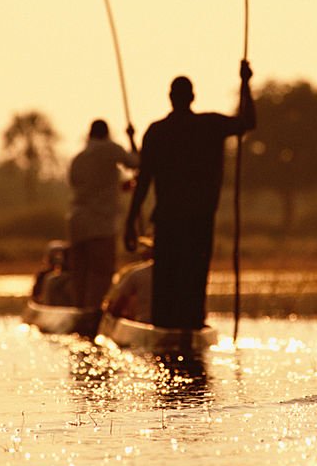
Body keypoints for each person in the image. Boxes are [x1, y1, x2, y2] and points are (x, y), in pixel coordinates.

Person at [124, 62, 256, 329]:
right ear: (192, 98)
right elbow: (247, 121)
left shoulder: (156, 131)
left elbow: (143, 181)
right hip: (199, 220)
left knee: (167, 282)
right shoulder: (209, 125)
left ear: (171, 98)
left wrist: (129, 221)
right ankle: (190, 326)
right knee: (194, 280)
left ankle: (168, 330)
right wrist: (245, 84)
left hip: (169, 221)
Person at [67, 119, 140, 308]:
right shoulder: (110, 150)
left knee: (80, 275)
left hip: (78, 224)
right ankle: (92, 314)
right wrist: (132, 138)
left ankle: (79, 311)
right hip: (101, 225)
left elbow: (87, 188)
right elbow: (136, 162)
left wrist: (117, 188)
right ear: (106, 134)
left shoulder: (79, 159)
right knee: (101, 274)